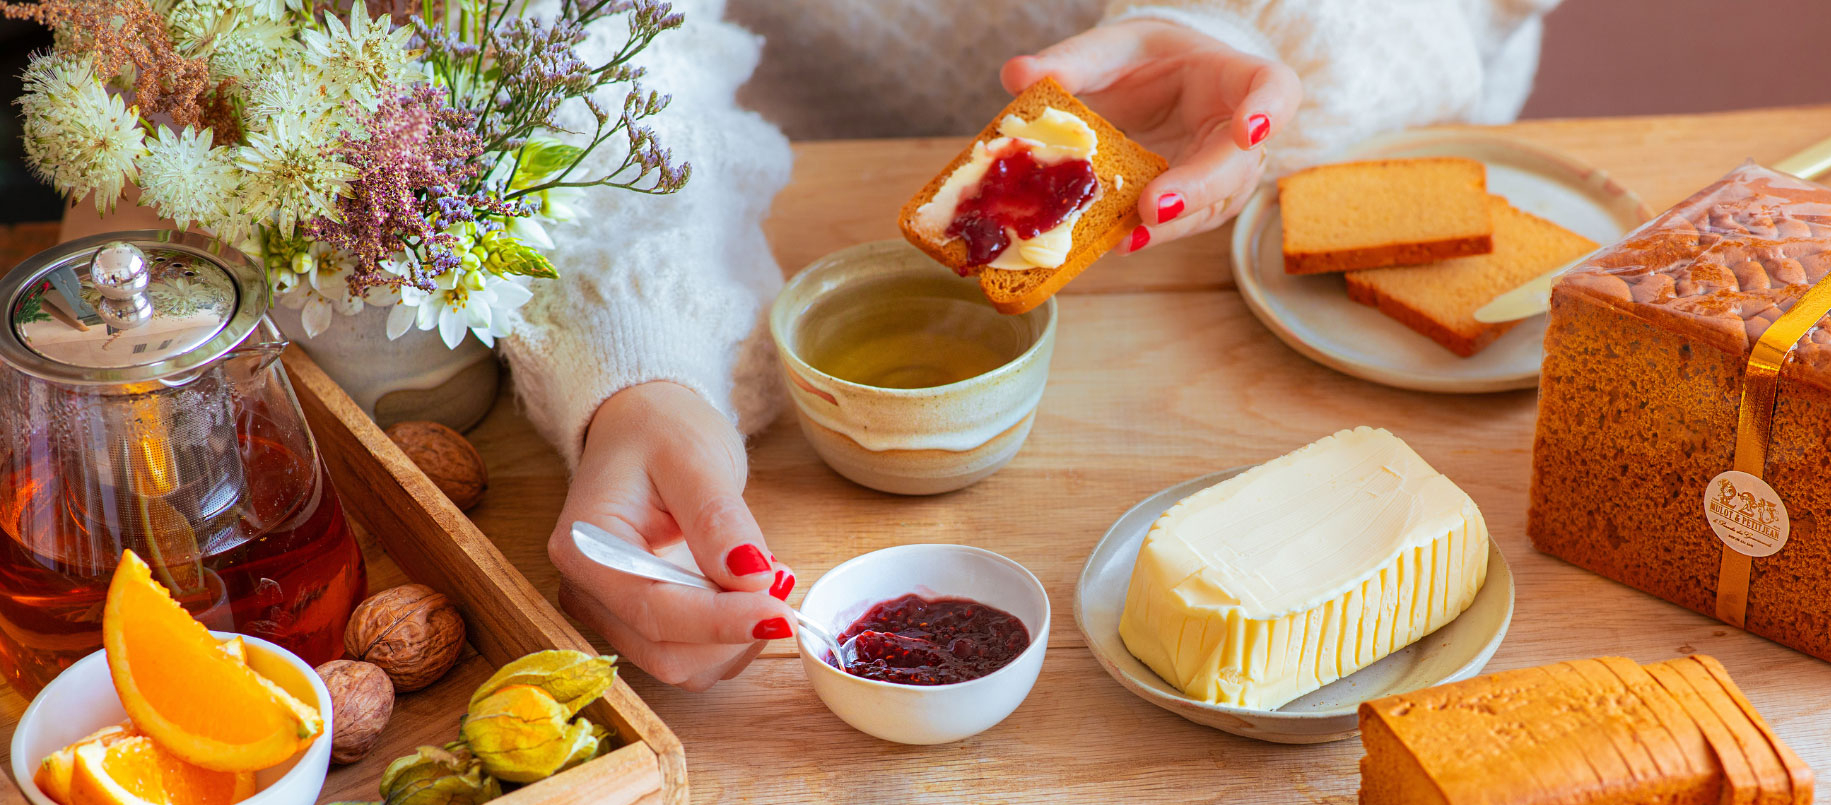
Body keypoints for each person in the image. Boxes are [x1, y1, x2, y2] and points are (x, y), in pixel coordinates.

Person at [506, 0, 1561, 691]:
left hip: (1299, 186)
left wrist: (1257, 31)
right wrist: (642, 355)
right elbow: (564, 42)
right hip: (744, 190)